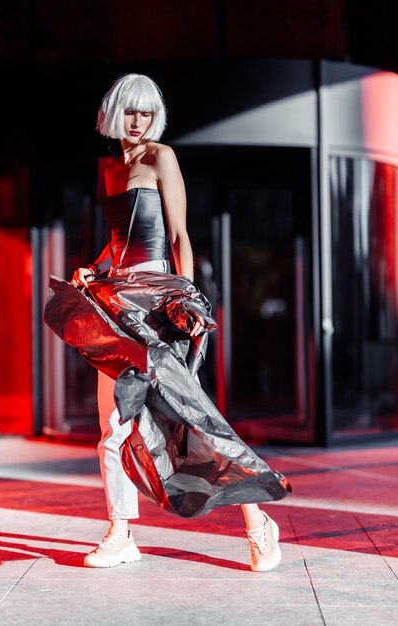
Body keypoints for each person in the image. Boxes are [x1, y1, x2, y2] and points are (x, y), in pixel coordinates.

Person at [70, 73, 283, 572]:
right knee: (114, 424)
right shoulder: (109, 169)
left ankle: (257, 521)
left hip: (160, 303)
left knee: (191, 416)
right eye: (131, 111)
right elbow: (120, 242)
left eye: (146, 111)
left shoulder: (160, 157)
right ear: (114, 113)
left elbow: (179, 236)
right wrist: (94, 267)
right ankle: (121, 532)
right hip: (117, 303)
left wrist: (184, 302)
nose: (139, 120)